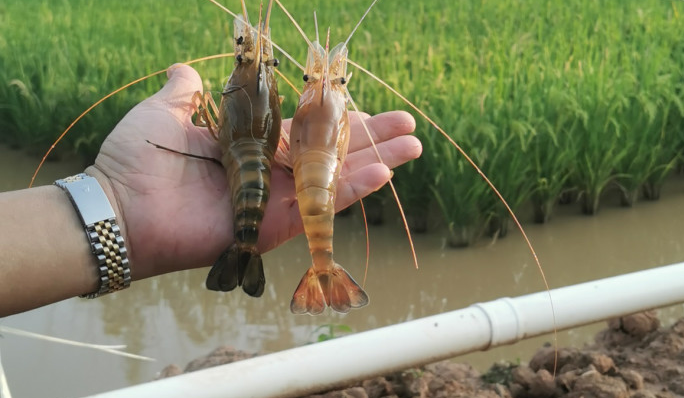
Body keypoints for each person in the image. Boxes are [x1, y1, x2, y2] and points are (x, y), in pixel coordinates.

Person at [0, 64, 422, 316]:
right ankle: (308, 266)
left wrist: (118, 201)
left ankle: (259, 253)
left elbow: (267, 140)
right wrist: (119, 205)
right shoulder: (290, 128)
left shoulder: (239, 105)